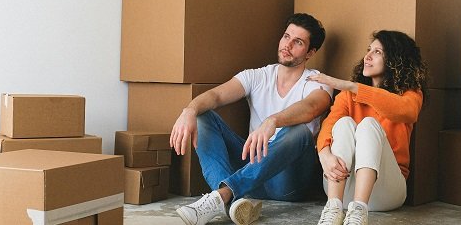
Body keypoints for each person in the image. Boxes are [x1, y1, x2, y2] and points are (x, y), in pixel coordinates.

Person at [169, 13, 333, 225]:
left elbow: (312, 107)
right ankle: (231, 201)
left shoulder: (317, 81)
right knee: (202, 116)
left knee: (299, 131)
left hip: (287, 180)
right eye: (286, 36)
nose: (287, 45)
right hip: (250, 172)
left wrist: (273, 121)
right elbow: (216, 96)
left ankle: (223, 195)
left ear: (310, 52)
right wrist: (189, 111)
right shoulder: (257, 76)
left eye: (298, 42)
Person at [307, 30, 427, 225]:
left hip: (386, 192)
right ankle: (333, 209)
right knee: (343, 123)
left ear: (395, 60)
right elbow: (329, 125)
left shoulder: (410, 94)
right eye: (369, 50)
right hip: (341, 189)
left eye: (378, 52)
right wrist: (325, 155)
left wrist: (352, 86)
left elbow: (408, 111)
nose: (367, 56)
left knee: (368, 125)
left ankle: (359, 213)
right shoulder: (347, 97)